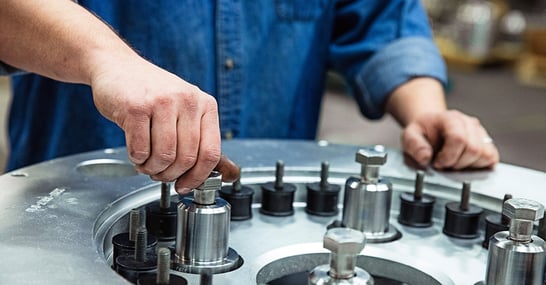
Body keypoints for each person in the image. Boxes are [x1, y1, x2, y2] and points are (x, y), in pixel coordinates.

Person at [0, 0, 499, 193]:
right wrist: (109, 59)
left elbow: (380, 20)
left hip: (262, 223)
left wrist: (427, 112)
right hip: (73, 219)